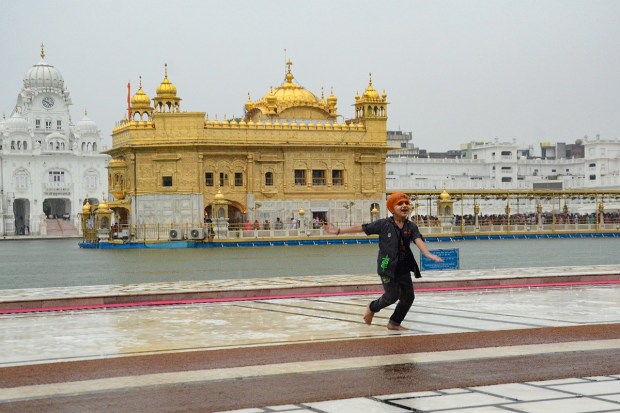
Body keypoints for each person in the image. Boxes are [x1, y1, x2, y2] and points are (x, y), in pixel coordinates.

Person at [324, 192, 443, 331]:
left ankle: (394, 323)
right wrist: (339, 231)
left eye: (406, 203)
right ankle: (372, 307)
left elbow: (418, 240)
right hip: (386, 265)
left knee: (409, 296)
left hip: (403, 266)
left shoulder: (411, 226)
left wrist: (427, 253)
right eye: (400, 204)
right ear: (392, 208)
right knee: (392, 296)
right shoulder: (383, 224)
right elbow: (362, 228)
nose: (404, 206)